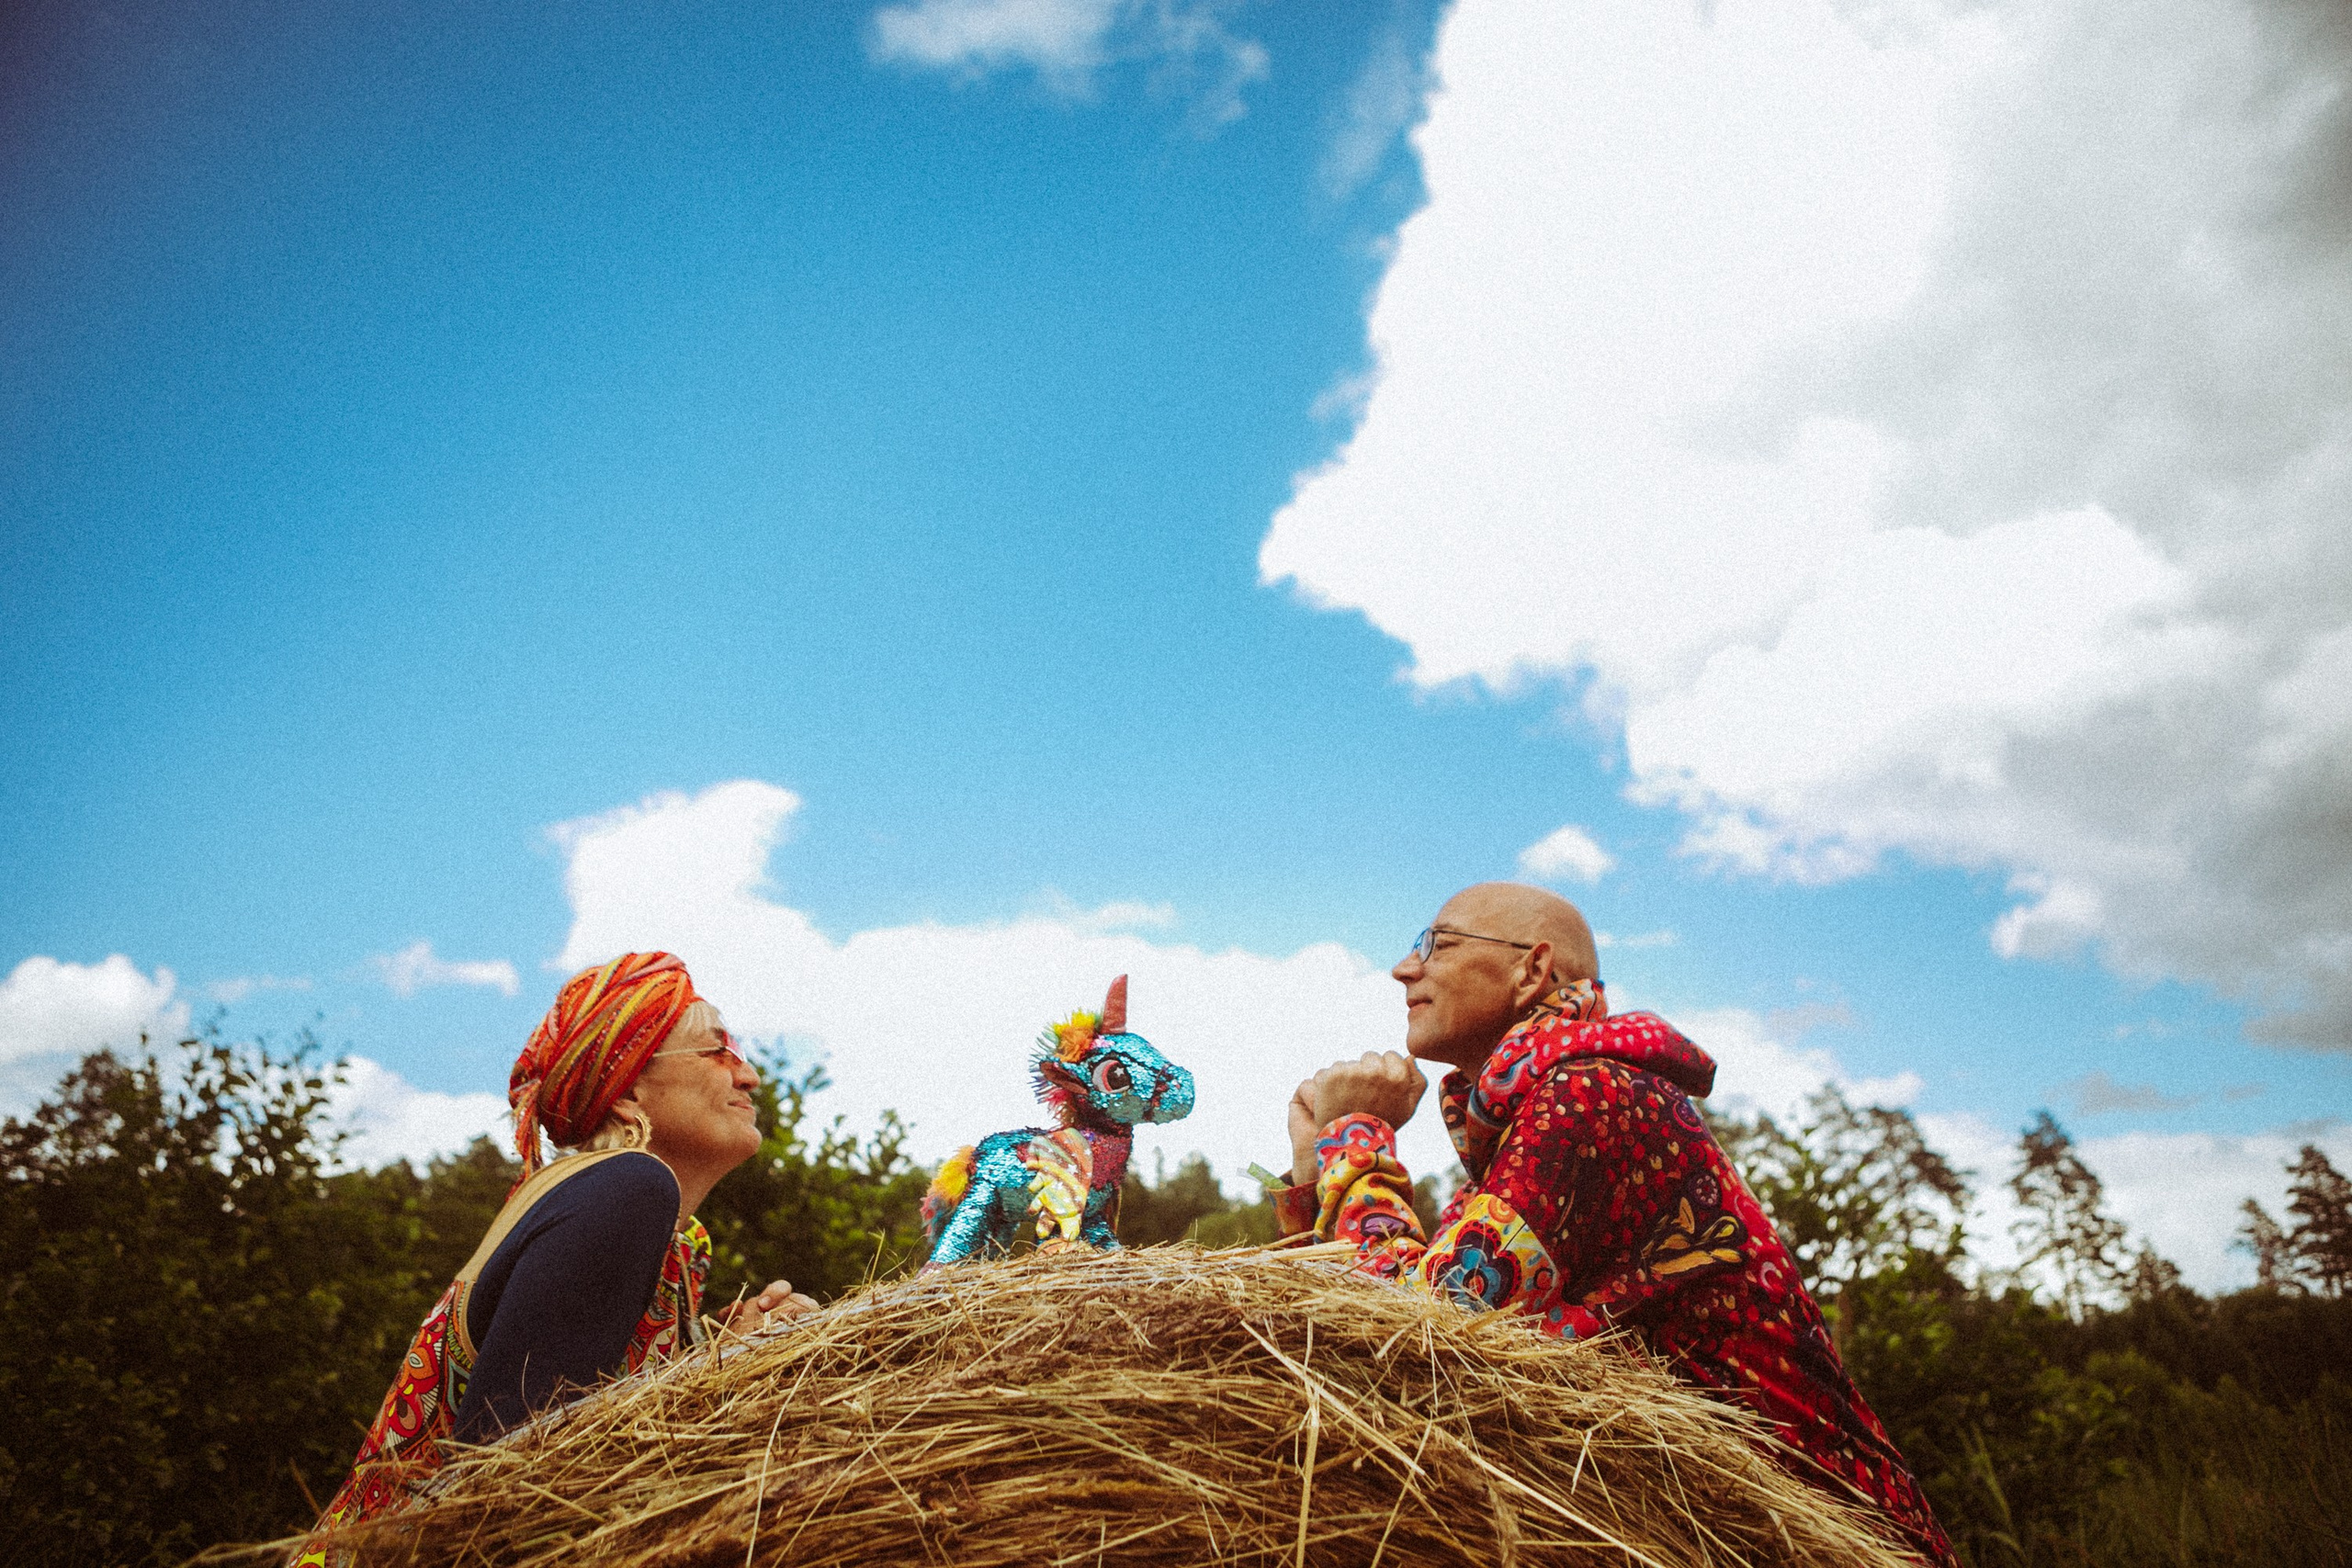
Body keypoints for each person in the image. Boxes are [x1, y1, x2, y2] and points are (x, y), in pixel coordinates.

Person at [1270, 883, 1956, 1565]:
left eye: (1435, 942)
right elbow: (1342, 1337)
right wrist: (1311, 1171)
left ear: (1531, 970)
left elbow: (1421, 1327)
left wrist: (1354, 1135)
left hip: (1819, 1539)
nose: (1405, 967)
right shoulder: (1524, 1138)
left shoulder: (1591, 1094)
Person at [300, 952, 815, 1552]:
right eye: (716, 1050)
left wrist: (728, 1366)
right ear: (628, 1093)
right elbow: (506, 1493)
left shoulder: (669, 1238)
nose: (748, 1075)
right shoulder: (626, 1189)